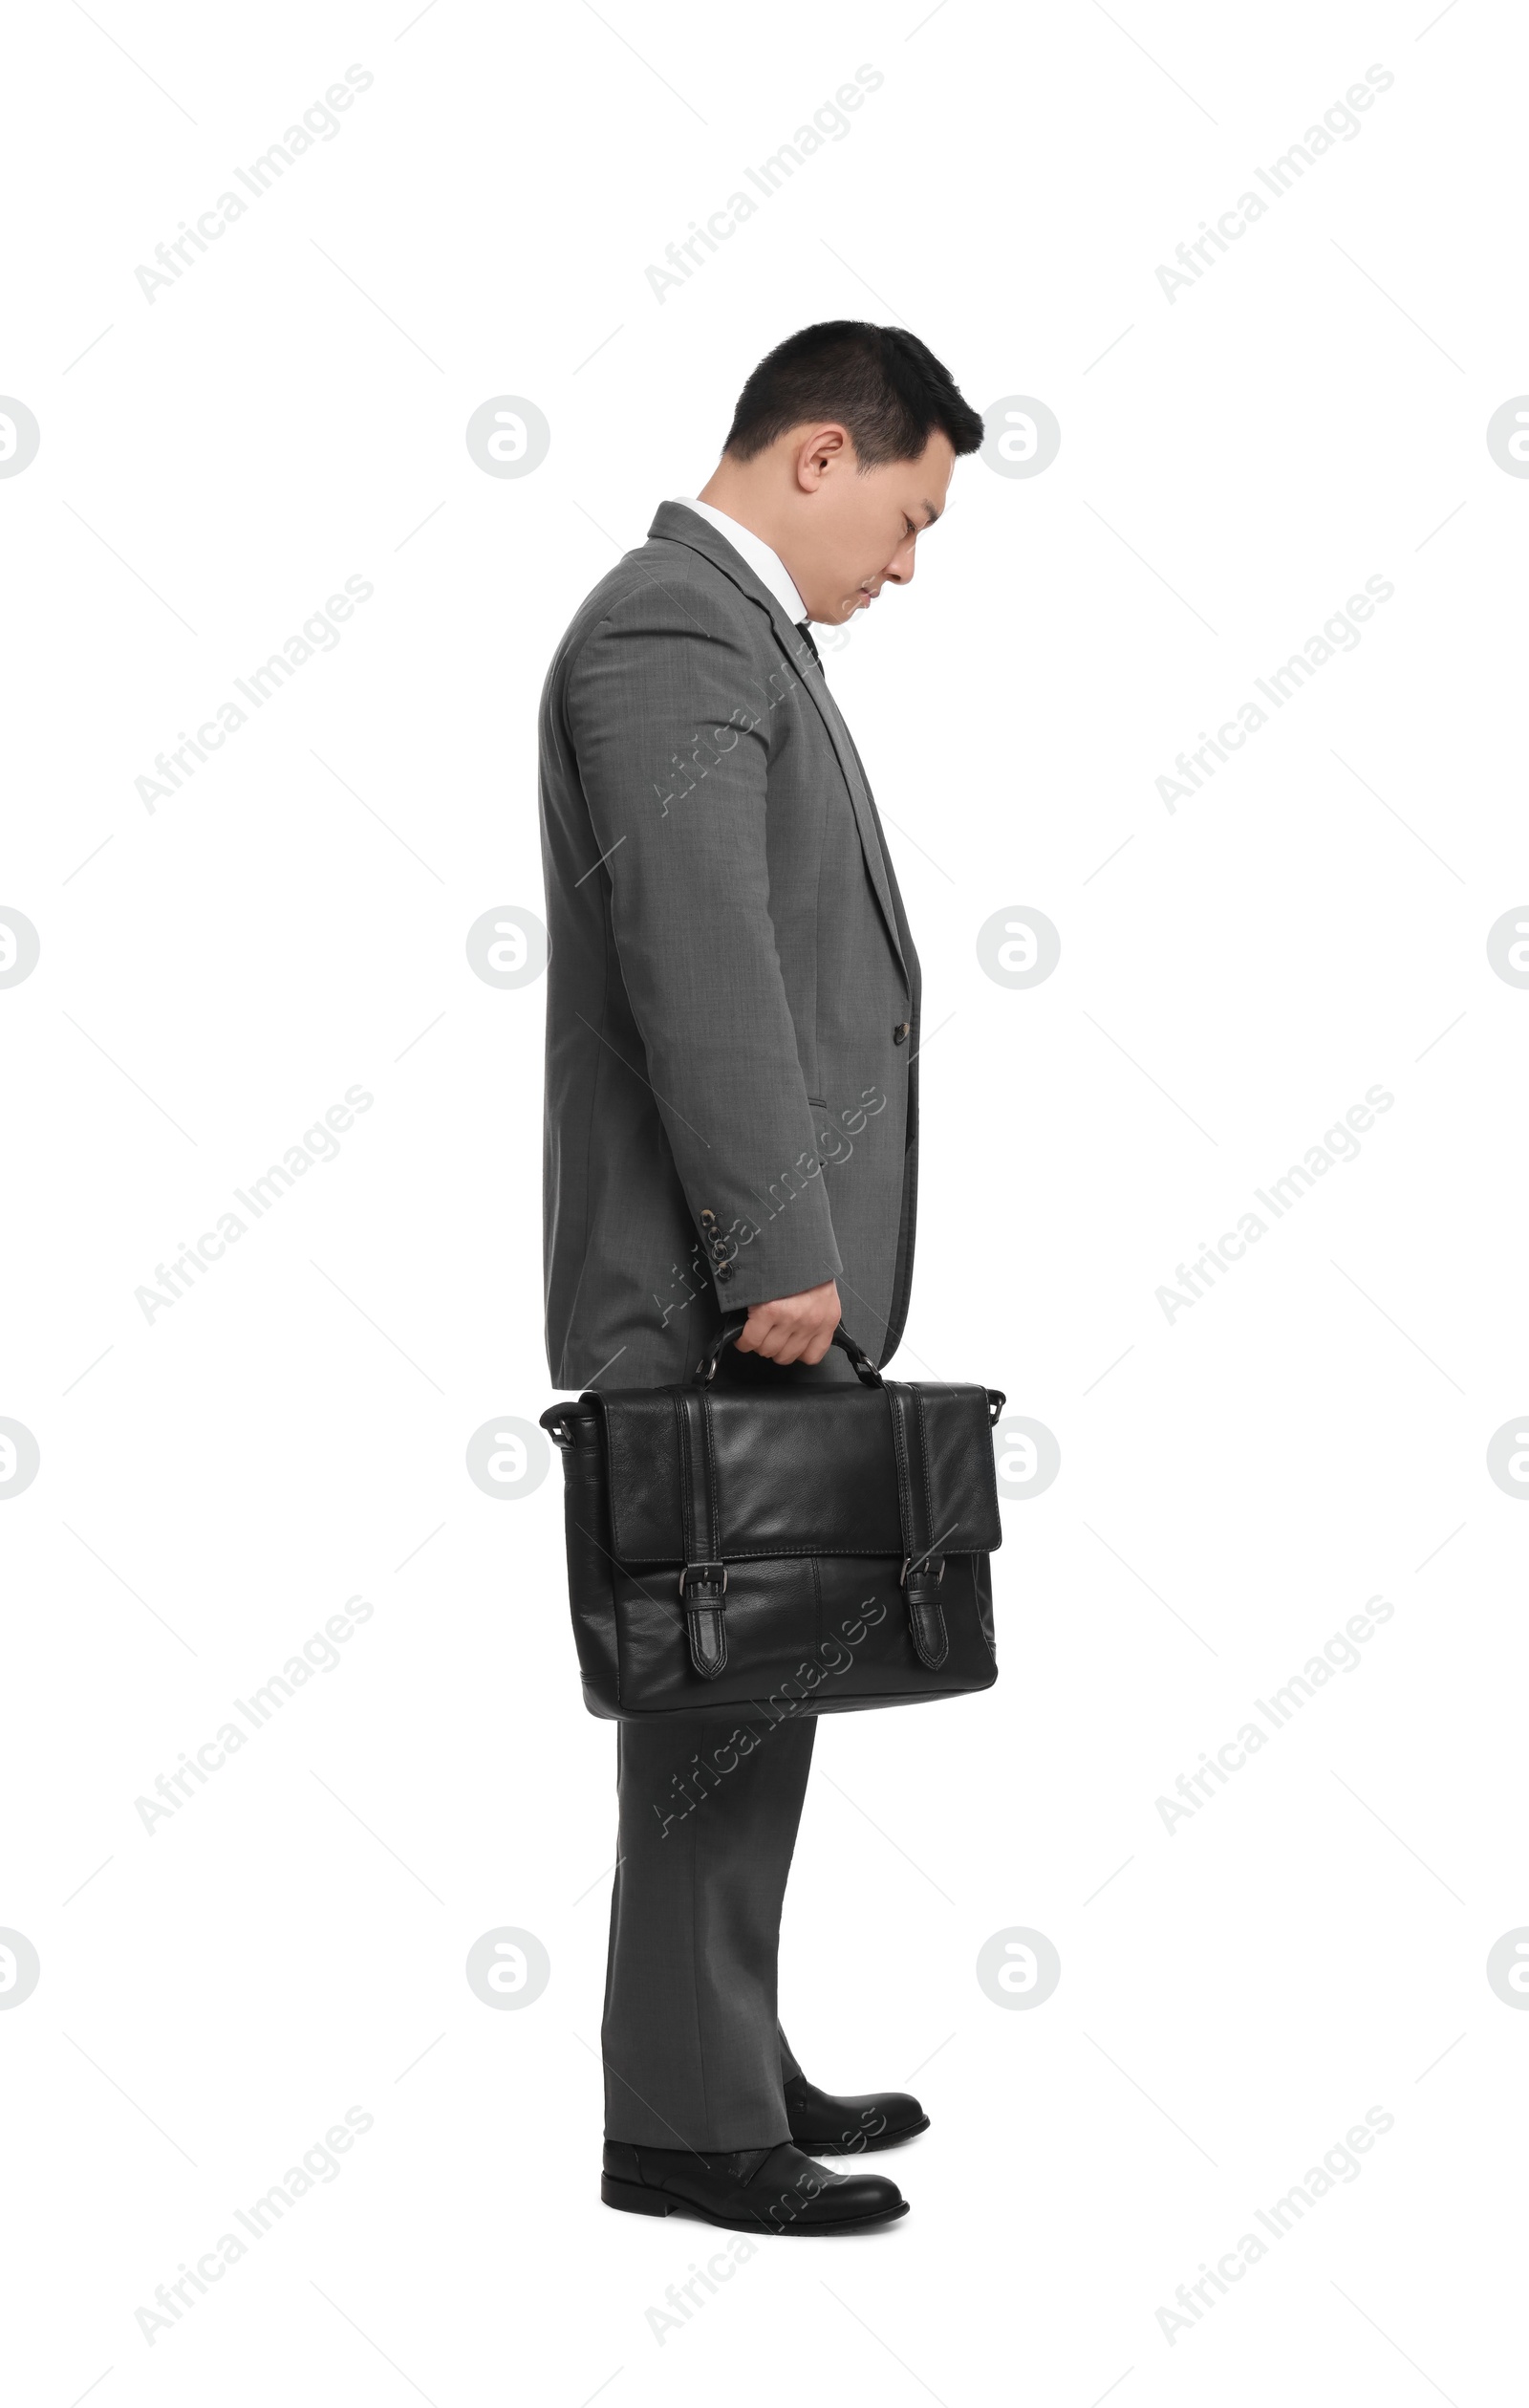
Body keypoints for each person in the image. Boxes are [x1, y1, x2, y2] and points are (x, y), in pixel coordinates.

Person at [538, 321, 984, 2231]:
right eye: (902, 516)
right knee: (714, 1718)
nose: (903, 564)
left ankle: (724, 2055)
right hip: (724, 1283)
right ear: (817, 456)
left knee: (746, 1705)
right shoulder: (671, 634)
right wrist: (781, 1242)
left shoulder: (733, 640)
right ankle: (690, 2130)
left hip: (747, 1281)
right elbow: (701, 963)